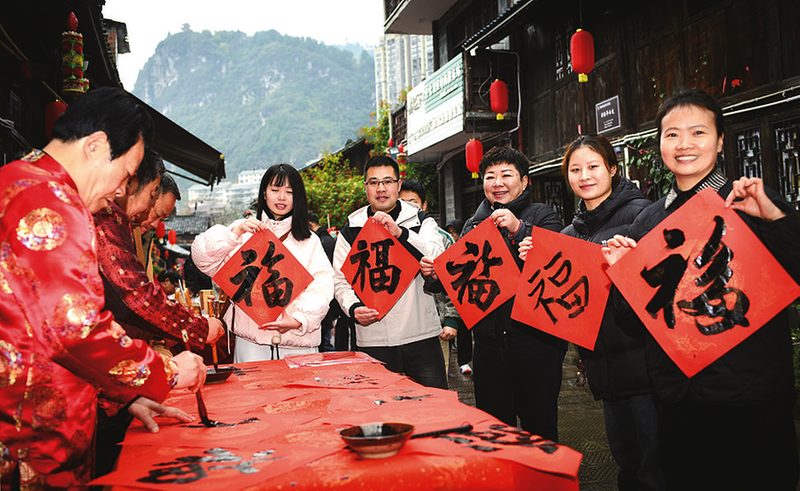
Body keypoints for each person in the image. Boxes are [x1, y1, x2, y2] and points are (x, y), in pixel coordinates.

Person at [0, 87, 205, 490]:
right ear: (94, 146)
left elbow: (38, 324)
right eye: (126, 174)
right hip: (30, 433)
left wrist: (124, 395)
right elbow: (74, 329)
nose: (121, 191)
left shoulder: (19, 181)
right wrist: (166, 371)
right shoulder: (51, 200)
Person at [603, 88, 800, 490]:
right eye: (672, 134)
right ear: (659, 144)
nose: (684, 144)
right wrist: (624, 275)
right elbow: (637, 323)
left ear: (720, 140)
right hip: (679, 399)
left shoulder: (751, 201)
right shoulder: (648, 222)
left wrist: (777, 221)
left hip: (754, 396)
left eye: (698, 132)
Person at [520, 135, 663, 490]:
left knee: (657, 464)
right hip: (604, 366)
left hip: (646, 364)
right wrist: (534, 264)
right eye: (575, 169)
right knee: (625, 460)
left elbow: (662, 283)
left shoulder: (642, 215)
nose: (584, 176)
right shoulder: (570, 232)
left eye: (593, 166)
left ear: (613, 168)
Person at [455, 145, 566, 441]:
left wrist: (519, 229)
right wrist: (433, 274)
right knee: (494, 432)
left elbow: (557, 267)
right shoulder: (472, 225)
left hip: (536, 342)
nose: (498, 183)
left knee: (539, 430)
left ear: (525, 181)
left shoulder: (544, 216)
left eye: (506, 175)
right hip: (488, 345)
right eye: (490, 176)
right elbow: (461, 279)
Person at [192, 164, 334, 361]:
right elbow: (202, 259)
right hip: (250, 344)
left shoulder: (310, 241)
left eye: (289, 192)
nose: (281, 197)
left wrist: (298, 319)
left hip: (297, 345)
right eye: (275, 190)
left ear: (298, 198)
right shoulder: (242, 231)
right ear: (264, 193)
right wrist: (235, 233)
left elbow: (322, 286)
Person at [333, 156, 447, 389]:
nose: (381, 188)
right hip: (373, 338)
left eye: (387, 181)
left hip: (421, 335)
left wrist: (401, 234)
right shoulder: (352, 227)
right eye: (374, 182)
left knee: (433, 405)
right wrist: (353, 308)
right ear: (365, 187)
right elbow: (340, 280)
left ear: (398, 184)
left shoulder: (419, 219)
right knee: (379, 407)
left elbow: (437, 257)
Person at [95, 150, 224, 355]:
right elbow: (135, 294)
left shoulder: (123, 224)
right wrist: (199, 328)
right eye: (152, 194)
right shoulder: (106, 218)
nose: (155, 223)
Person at [399, 179, 459, 377]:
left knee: (435, 382)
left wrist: (451, 319)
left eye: (413, 202)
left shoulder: (442, 238)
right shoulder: (390, 235)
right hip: (402, 325)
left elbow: (455, 279)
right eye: (402, 203)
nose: (408, 208)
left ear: (424, 205)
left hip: (436, 324)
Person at [444, 218, 472, 376]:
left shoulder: (467, 247)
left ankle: (464, 361)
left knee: (464, 329)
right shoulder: (443, 245)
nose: (453, 235)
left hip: (465, 295)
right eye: (450, 232)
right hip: (450, 295)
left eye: (455, 232)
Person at [309, 212, 337, 352]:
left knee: (325, 346)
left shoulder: (322, 242)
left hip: (323, 302)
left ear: (309, 225)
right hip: (324, 304)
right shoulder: (326, 239)